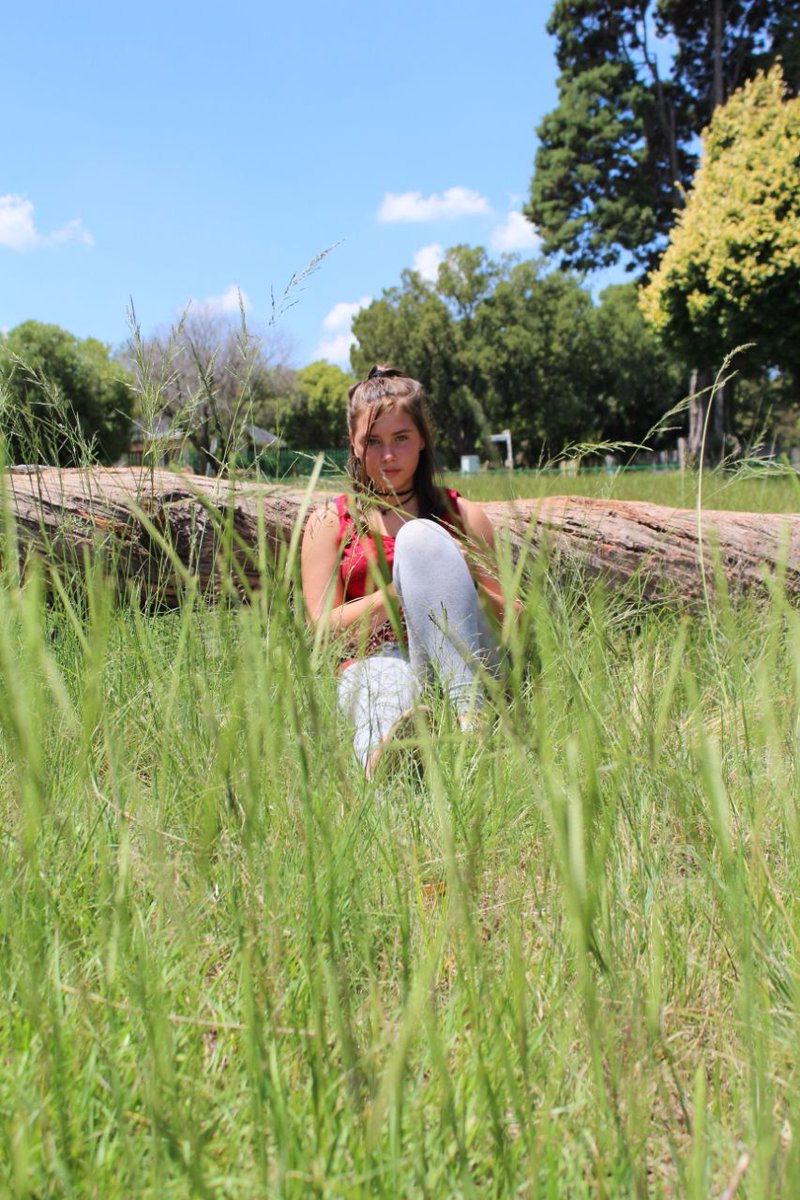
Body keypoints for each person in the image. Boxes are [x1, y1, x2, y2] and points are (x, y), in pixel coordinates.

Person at [301, 365, 509, 777]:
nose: (389, 456)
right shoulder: (330, 522)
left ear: (423, 440)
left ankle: (473, 724)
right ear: (354, 445)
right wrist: (401, 590)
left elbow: (515, 621)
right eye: (373, 442)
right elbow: (321, 633)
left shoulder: (462, 514)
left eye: (401, 439)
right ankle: (386, 766)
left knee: (419, 539)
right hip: (377, 660)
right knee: (384, 682)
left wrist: (460, 581)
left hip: (469, 656)